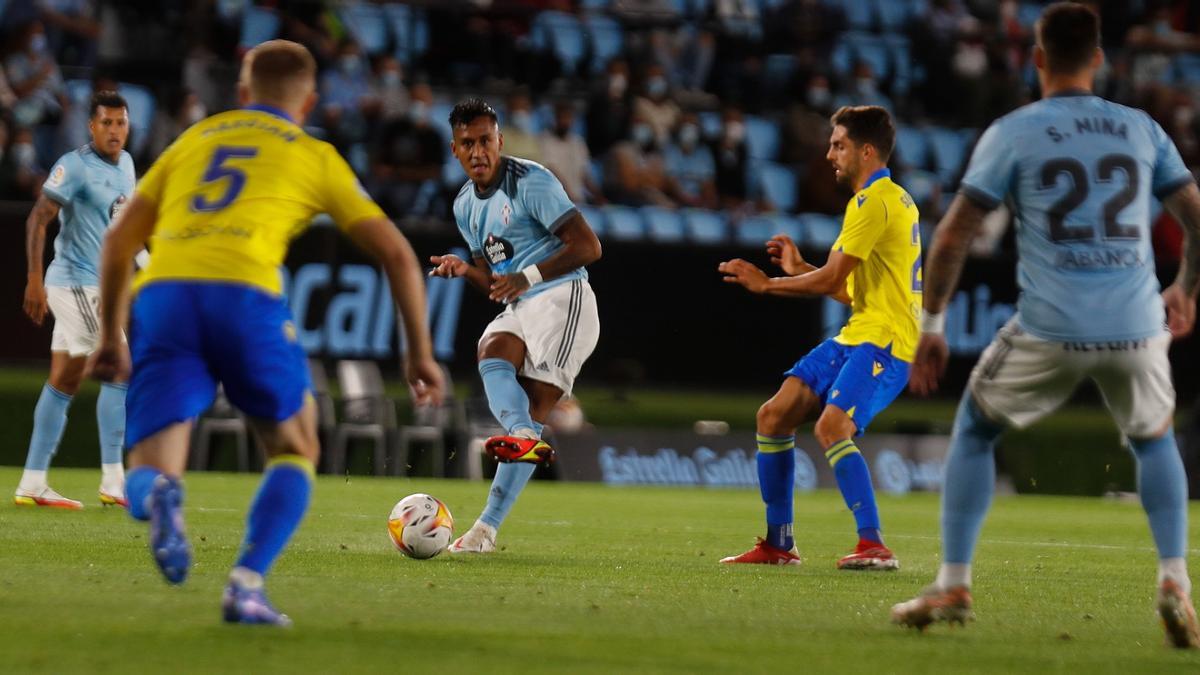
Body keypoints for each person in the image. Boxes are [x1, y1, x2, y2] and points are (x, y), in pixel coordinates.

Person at [89, 40, 444, 626]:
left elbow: (118, 241)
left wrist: (108, 338)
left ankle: (157, 496)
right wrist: (420, 354)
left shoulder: (194, 139)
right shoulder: (314, 153)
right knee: (297, 447)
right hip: (246, 295)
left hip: (166, 296)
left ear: (244, 93)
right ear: (308, 102)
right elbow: (400, 257)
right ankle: (245, 585)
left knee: (152, 466)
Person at [890, 4, 1200, 649]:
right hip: (1139, 326)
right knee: (1153, 438)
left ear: (1036, 59)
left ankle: (953, 582)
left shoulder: (1014, 131)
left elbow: (952, 236)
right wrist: (1186, 289)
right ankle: (1174, 579)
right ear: (1100, 59)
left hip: (1051, 326)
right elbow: (1198, 217)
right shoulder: (1141, 128)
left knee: (975, 428)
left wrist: (934, 322)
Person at [718, 105, 920, 570]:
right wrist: (802, 270)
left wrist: (768, 284)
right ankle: (779, 544)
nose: (829, 153)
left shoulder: (874, 203)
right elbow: (851, 289)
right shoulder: (892, 200)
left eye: (838, 144)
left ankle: (874, 545)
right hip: (862, 329)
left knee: (833, 426)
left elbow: (832, 286)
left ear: (866, 151)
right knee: (774, 414)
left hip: (886, 341)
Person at [429, 98, 601, 554]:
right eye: (468, 144)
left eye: (486, 141)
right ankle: (523, 435)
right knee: (492, 347)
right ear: (456, 150)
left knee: (535, 408)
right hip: (523, 303)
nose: (478, 151)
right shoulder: (465, 205)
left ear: (500, 141)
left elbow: (588, 246)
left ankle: (485, 529)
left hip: (565, 300)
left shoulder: (531, 181)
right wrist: (465, 270)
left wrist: (527, 276)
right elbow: (495, 283)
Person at [12, 90, 134, 510]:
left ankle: (32, 481)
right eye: (106, 123)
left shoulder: (128, 166)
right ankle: (115, 482)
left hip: (97, 286)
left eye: (120, 122)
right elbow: (38, 217)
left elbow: (121, 228)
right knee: (119, 367)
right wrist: (33, 279)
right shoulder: (75, 166)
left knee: (63, 380)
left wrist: (149, 263)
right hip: (73, 283)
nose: (114, 130)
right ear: (91, 126)